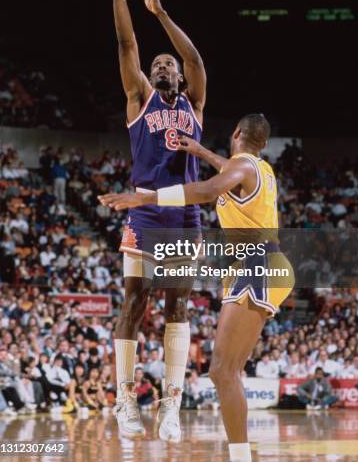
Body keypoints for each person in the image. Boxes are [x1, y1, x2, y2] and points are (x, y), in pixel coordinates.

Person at [99, 113, 294, 462]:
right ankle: (239, 455)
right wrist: (201, 152)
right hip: (261, 264)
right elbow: (226, 170)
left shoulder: (241, 167)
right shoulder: (259, 168)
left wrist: (145, 199)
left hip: (257, 264)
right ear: (264, 144)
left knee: (223, 371)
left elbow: (208, 189)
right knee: (225, 371)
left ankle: (241, 457)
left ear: (236, 133)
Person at [89, 0, 206, 441]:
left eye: (167, 64)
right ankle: (124, 400)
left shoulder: (195, 103)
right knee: (135, 302)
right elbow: (125, 47)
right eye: (155, 64)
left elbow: (196, 57)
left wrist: (161, 14)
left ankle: (171, 407)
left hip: (184, 217)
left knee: (178, 304)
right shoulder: (140, 100)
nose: (161, 67)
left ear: (178, 74)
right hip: (144, 212)